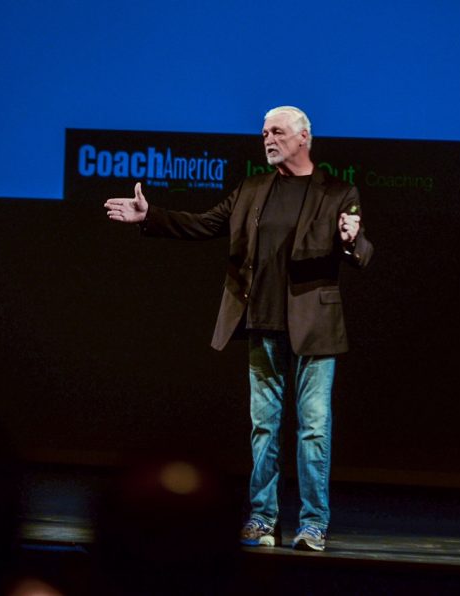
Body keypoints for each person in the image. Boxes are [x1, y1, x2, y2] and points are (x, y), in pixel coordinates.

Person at [104, 106, 373, 551]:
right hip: (262, 324)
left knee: (313, 429)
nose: (268, 138)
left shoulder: (337, 191)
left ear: (304, 137)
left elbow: (360, 250)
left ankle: (312, 524)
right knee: (264, 427)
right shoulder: (253, 189)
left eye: (278, 132)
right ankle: (263, 519)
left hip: (314, 329)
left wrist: (350, 242)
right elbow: (206, 224)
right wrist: (150, 216)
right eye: (264, 132)